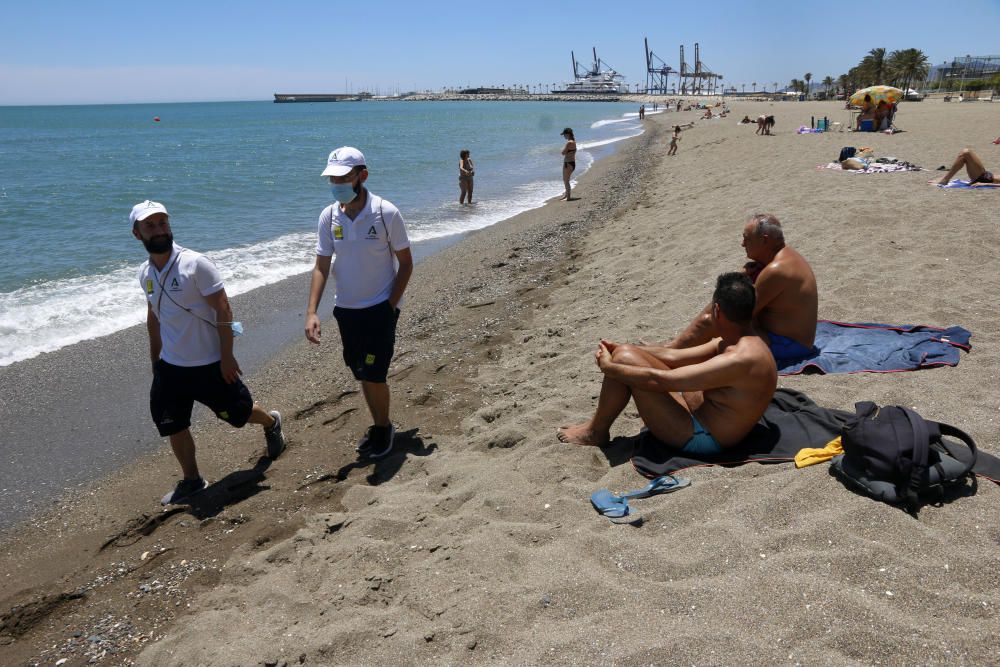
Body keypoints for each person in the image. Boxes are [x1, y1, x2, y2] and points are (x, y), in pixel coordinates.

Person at [131, 200, 285, 506]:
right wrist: (155, 358)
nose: (159, 230)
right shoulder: (144, 273)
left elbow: (223, 308)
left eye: (162, 223)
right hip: (171, 367)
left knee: (237, 414)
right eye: (150, 225)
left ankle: (271, 422)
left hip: (209, 364)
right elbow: (154, 315)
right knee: (173, 424)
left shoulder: (195, 264)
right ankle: (192, 479)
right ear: (137, 234)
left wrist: (226, 356)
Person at [557, 273, 777, 454]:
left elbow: (661, 380)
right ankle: (598, 427)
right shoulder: (738, 340)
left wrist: (609, 367)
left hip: (704, 438)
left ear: (717, 311)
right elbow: (673, 357)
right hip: (698, 413)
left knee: (623, 362)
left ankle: (596, 432)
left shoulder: (740, 358)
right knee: (624, 354)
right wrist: (623, 347)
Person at [305, 147, 414, 459]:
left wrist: (389, 306)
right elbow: (321, 265)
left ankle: (383, 427)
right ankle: (379, 424)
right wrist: (312, 311)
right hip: (346, 310)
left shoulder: (385, 213)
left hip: (380, 306)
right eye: (332, 178)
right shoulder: (329, 216)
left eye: (343, 177)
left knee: (375, 373)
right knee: (361, 371)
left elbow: (405, 264)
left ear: (361, 176)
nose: (336, 183)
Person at [664, 214, 817, 360]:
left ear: (764, 240)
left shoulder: (776, 270)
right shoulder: (784, 256)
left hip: (790, 344)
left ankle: (670, 352)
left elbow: (739, 313)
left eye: (747, 238)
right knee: (717, 312)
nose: (742, 243)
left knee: (714, 325)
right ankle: (672, 348)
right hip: (790, 336)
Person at [931, 148, 999, 186]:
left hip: (984, 179)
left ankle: (945, 179)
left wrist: (984, 184)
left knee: (966, 153)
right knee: (965, 154)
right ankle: (945, 178)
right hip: (987, 175)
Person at [560, 128, 577, 201]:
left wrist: (564, 150)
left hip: (568, 163)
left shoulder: (569, 143)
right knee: (566, 180)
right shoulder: (574, 142)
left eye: (564, 135)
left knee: (566, 180)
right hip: (572, 163)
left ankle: (568, 197)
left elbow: (563, 153)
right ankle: (566, 195)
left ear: (568, 134)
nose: (564, 136)